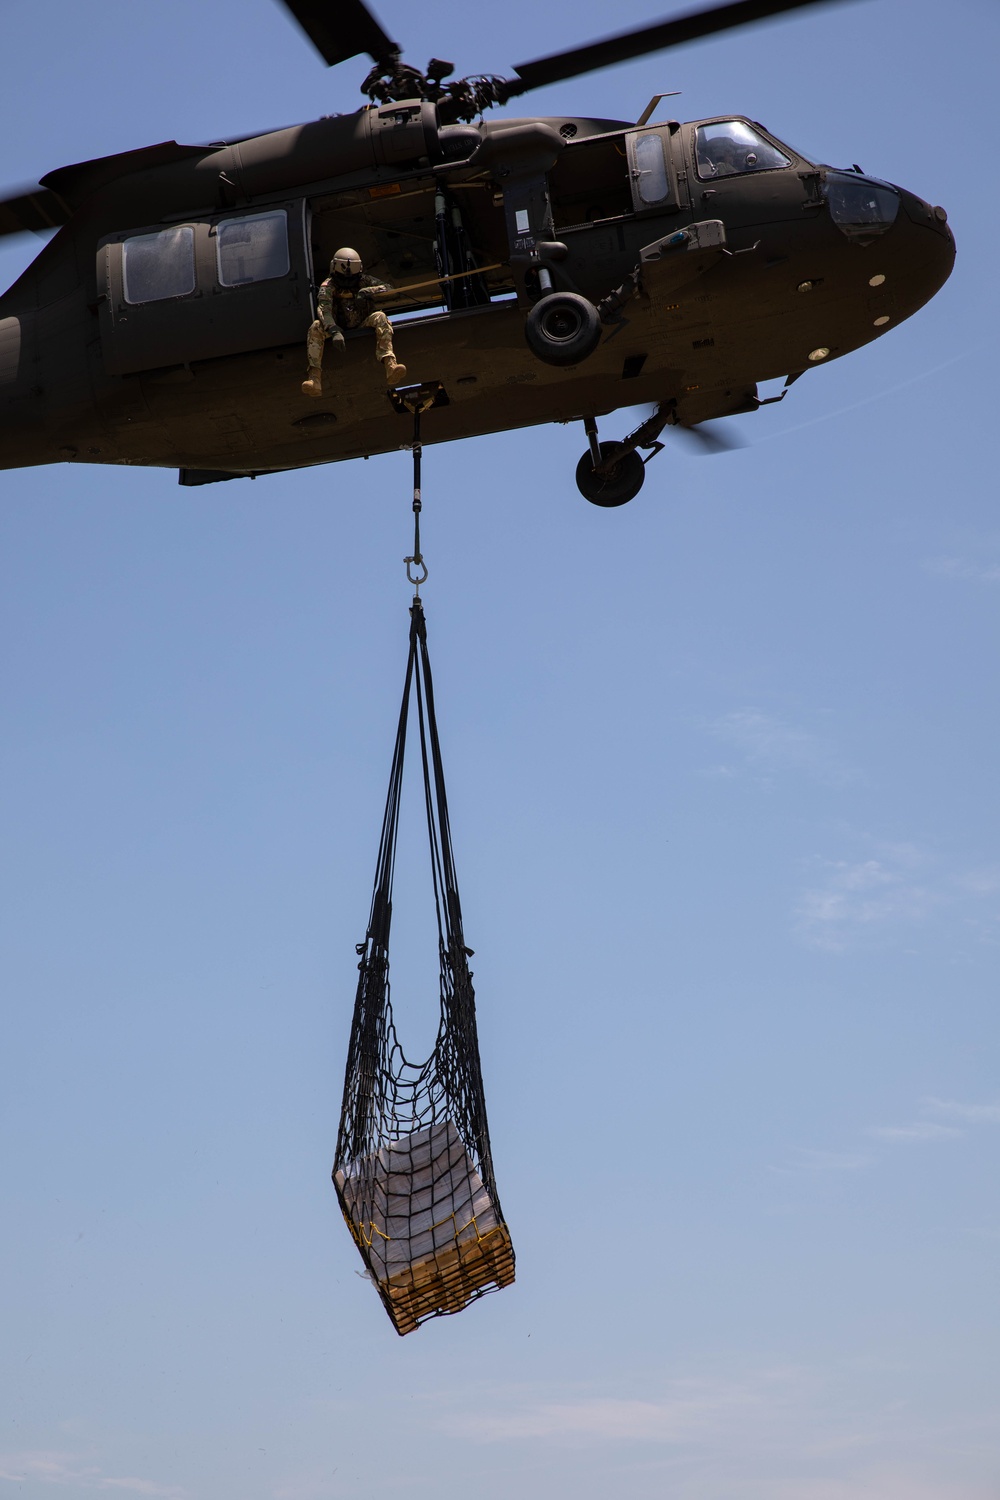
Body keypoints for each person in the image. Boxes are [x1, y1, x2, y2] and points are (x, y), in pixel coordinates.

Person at [301, 247, 407, 397]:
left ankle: (390, 365)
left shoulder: (364, 280)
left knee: (380, 317)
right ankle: (314, 379)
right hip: (338, 326)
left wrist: (368, 291)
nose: (347, 282)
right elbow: (324, 309)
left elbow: (389, 288)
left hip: (363, 322)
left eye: (351, 279)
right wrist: (334, 330)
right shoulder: (328, 286)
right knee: (316, 327)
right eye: (342, 278)